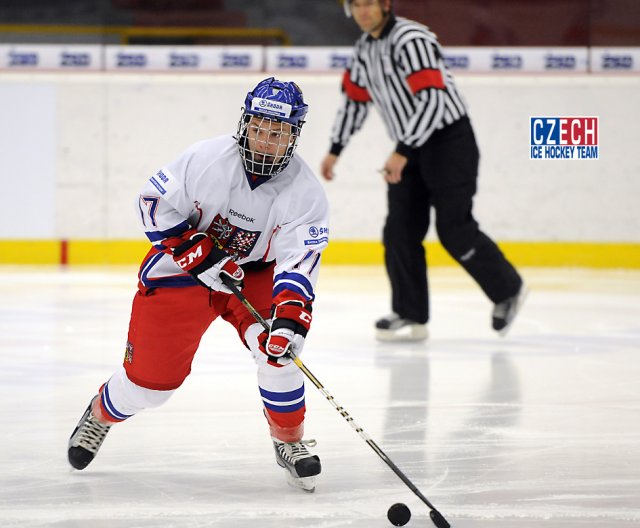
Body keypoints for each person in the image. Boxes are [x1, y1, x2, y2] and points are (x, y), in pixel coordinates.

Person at [67, 77, 329, 492]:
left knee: (277, 348)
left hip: (253, 277)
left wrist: (292, 318)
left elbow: (299, 261)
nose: (265, 140)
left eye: (278, 132)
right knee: (150, 389)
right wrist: (197, 252)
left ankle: (289, 441)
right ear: (245, 124)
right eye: (259, 127)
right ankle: (101, 412)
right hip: (182, 276)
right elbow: (152, 203)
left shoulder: (306, 192)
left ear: (294, 135)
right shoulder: (206, 158)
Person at [320, 0, 527, 341]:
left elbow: (432, 97)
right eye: (356, 4)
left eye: (369, 3)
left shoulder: (411, 38)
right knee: (399, 230)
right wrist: (335, 149)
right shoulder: (363, 50)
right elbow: (355, 102)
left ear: (385, 5)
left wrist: (402, 150)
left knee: (454, 229)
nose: (363, 11)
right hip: (409, 149)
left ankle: (508, 289)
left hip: (449, 143)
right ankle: (410, 313)